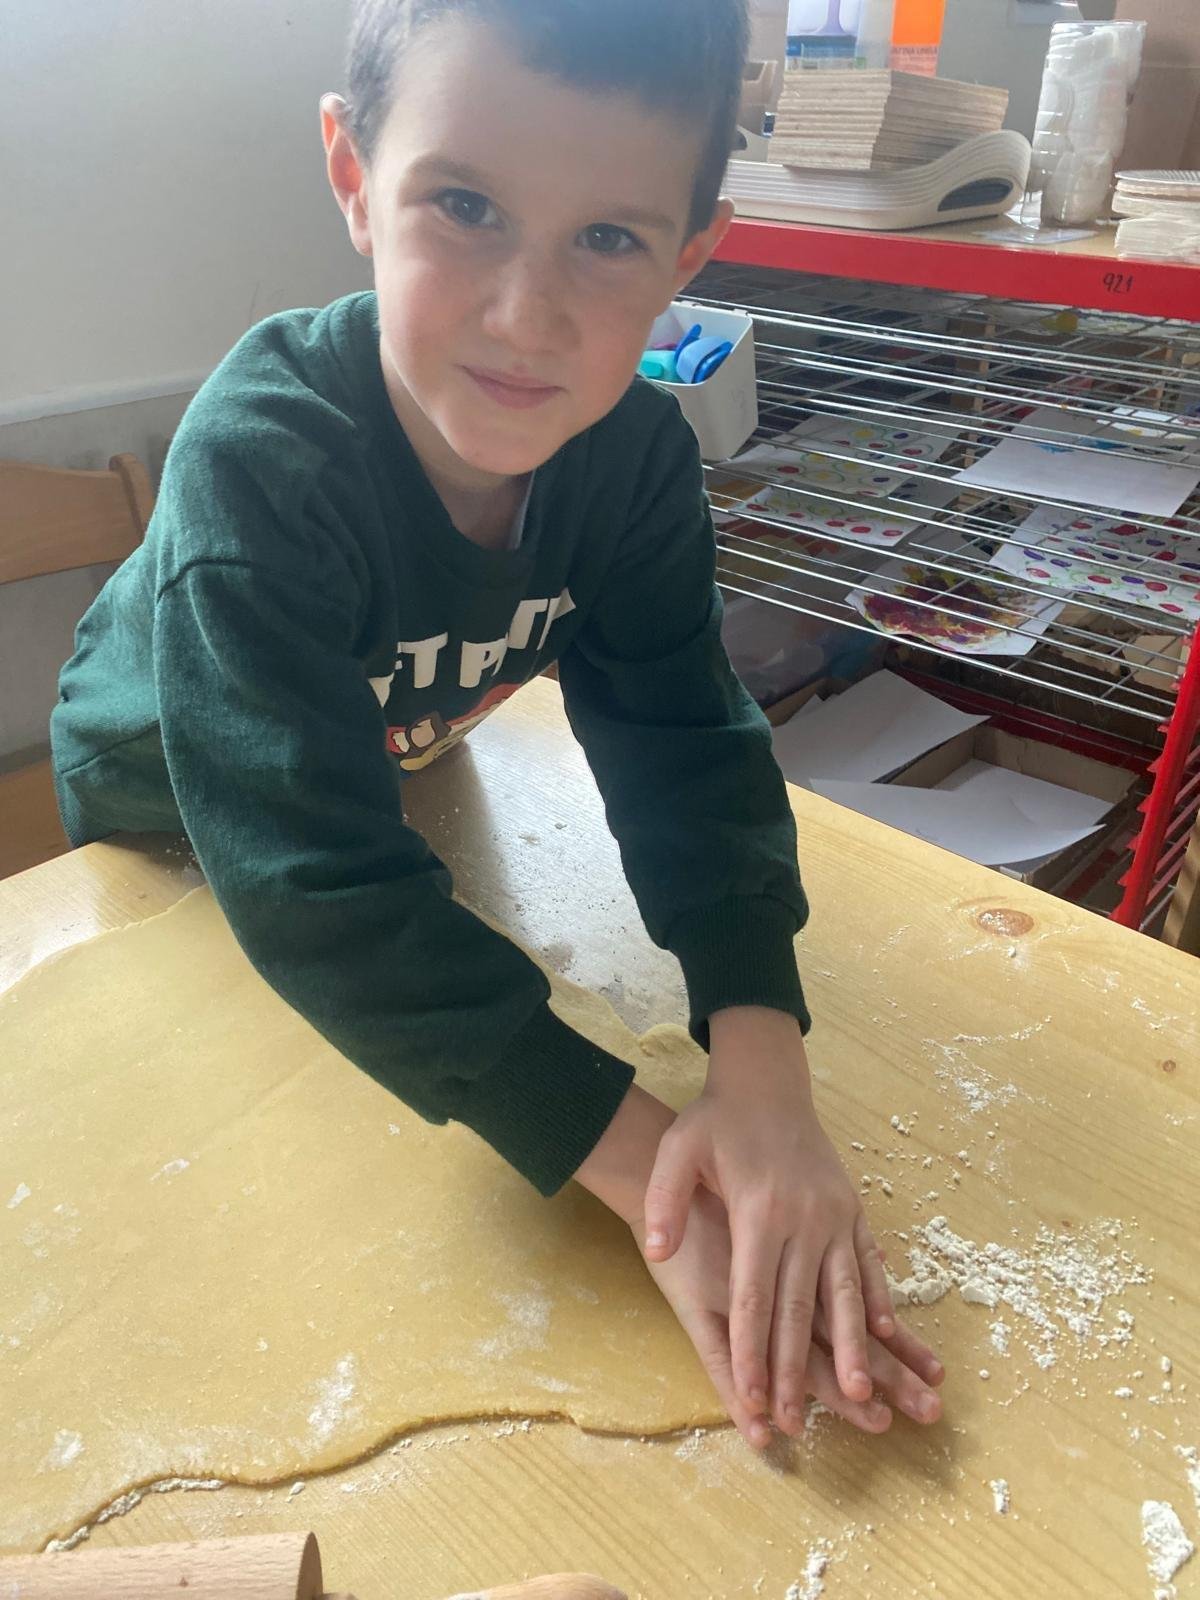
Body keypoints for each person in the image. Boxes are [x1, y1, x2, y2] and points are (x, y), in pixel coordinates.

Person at [51, 0, 944, 1448]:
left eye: (609, 237)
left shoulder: (634, 461)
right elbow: (313, 891)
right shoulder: (265, 466)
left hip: (397, 758)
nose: (529, 317)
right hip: (167, 824)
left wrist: (762, 1070)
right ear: (354, 178)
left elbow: (681, 736)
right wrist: (649, 1169)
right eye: (465, 207)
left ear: (690, 254)